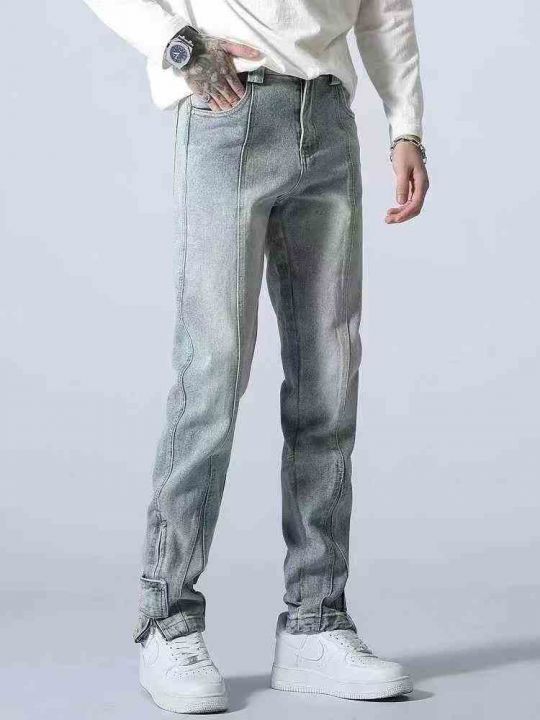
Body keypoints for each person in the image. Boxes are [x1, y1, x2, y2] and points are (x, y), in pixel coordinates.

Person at [84, 0, 429, 713]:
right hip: (230, 110)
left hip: (326, 120)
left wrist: (406, 127)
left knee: (329, 382)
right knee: (211, 376)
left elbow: (385, 8)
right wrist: (178, 43)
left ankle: (316, 622)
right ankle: (167, 618)